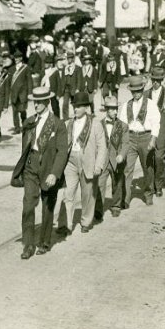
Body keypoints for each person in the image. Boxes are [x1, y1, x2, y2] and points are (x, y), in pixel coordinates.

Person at [11, 86, 68, 259]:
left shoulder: (58, 125)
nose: (35, 105)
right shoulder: (29, 122)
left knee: (47, 207)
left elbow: (62, 151)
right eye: (34, 101)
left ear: (47, 102)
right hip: (31, 167)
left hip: (49, 168)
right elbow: (25, 146)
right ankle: (28, 245)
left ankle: (44, 242)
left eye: (39, 102)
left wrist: (54, 173)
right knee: (28, 206)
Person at [56, 92, 106, 235]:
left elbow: (102, 146)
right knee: (68, 193)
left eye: (78, 106)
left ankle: (85, 221)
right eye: (74, 106)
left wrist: (99, 165)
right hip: (71, 162)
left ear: (86, 108)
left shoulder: (95, 124)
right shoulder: (68, 123)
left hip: (88, 162)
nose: (75, 109)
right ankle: (65, 224)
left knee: (87, 194)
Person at [118, 75, 160, 206]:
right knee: (127, 168)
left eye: (138, 91)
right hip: (130, 139)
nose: (136, 93)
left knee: (147, 168)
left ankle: (148, 193)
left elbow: (156, 123)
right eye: (133, 91)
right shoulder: (126, 106)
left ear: (142, 90)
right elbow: (122, 125)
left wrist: (153, 140)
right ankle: (125, 198)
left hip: (145, 138)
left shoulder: (151, 104)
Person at [95, 95, 128, 218]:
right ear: (107, 110)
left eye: (116, 109)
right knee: (99, 184)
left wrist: (121, 155)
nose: (115, 111)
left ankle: (116, 205)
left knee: (117, 183)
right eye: (112, 109)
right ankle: (98, 209)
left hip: (116, 159)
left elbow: (125, 143)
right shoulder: (98, 125)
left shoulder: (123, 126)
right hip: (103, 160)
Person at [146, 67, 165, 197]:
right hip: (148, 133)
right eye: (153, 80)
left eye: (158, 80)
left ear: (162, 80)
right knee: (149, 160)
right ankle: (150, 185)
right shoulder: (145, 94)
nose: (155, 82)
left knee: (159, 159)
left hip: (162, 133)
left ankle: (158, 185)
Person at [9, 53, 31, 133]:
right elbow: (9, 82)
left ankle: (25, 125)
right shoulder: (11, 69)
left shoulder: (26, 68)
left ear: (21, 58)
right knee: (14, 112)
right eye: (15, 58)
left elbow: (29, 81)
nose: (16, 59)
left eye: (18, 57)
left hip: (23, 93)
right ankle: (17, 128)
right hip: (14, 93)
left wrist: (29, 93)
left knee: (22, 110)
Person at [61, 51, 83, 120]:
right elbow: (63, 79)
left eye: (70, 58)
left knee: (75, 104)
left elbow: (79, 79)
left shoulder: (77, 68)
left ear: (73, 59)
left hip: (74, 88)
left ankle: (77, 116)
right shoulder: (64, 68)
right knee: (65, 104)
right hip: (66, 88)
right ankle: (65, 118)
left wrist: (78, 88)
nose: (69, 59)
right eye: (68, 58)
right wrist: (62, 89)